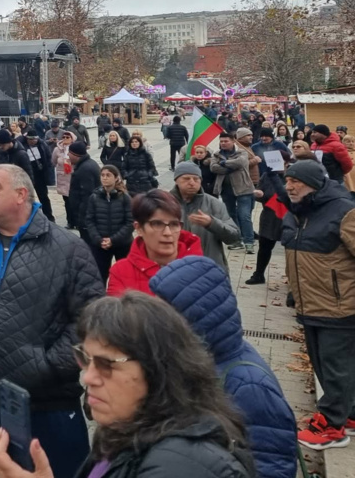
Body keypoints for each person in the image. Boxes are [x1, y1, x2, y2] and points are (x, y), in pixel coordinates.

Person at [0, 163, 104, 478]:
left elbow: (90, 318)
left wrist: (48, 365)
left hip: (48, 403)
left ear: (21, 194)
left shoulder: (68, 249)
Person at [0, 292, 254, 478]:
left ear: (158, 369)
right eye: (86, 359)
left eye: (107, 364)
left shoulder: (181, 465)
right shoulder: (125, 428)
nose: (89, 377)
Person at [150, 256, 299, 477]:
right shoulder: (197, 360)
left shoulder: (249, 386)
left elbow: (273, 466)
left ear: (193, 317)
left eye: (164, 313)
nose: (155, 321)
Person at [278, 161, 355, 449]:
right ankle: (349, 414)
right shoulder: (297, 212)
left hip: (340, 307)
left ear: (314, 183)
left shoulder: (344, 212)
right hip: (308, 305)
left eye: (296, 181)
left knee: (337, 368)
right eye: (287, 181)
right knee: (328, 368)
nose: (290, 186)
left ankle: (332, 427)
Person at [107, 190, 203, 296]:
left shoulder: (202, 268)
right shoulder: (121, 272)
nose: (168, 233)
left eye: (174, 224)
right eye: (157, 224)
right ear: (139, 228)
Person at [170, 161, 240, 268]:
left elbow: (233, 237)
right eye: (186, 179)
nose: (192, 182)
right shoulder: (164, 203)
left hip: (208, 268)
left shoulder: (214, 203)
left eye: (196, 179)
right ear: (176, 181)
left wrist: (212, 223)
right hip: (173, 268)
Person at [84, 165, 134, 284]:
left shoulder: (124, 197)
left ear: (116, 178)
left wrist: (113, 239)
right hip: (101, 244)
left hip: (122, 243)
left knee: (125, 276)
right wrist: (98, 239)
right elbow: (90, 220)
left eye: (108, 175)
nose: (105, 178)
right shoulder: (94, 197)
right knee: (100, 275)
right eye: (102, 175)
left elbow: (130, 222)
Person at [248, 155, 292, 286]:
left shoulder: (293, 175)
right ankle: (258, 274)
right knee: (265, 246)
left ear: (286, 162)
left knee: (290, 250)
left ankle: (292, 279)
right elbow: (262, 192)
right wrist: (259, 194)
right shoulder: (267, 175)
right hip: (270, 214)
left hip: (289, 216)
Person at [210, 133, 256, 254]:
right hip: (226, 190)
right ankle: (237, 240)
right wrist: (231, 166)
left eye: (226, 141)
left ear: (233, 141)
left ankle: (249, 242)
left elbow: (240, 163)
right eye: (221, 141)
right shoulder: (216, 154)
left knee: (244, 215)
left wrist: (224, 163)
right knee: (231, 215)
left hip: (243, 189)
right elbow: (213, 167)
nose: (223, 143)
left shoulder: (242, 152)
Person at [67, 141, 102, 245]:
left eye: (69, 153)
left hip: (86, 217)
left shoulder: (85, 169)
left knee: (89, 245)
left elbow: (87, 196)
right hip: (87, 215)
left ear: (75, 154)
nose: (68, 155)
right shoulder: (86, 164)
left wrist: (82, 218)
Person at [19, 130, 55, 221]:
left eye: (35, 139)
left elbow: (48, 157)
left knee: (43, 196)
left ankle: (49, 217)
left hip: (40, 174)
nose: (33, 141)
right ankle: (27, 217)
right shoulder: (21, 145)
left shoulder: (42, 144)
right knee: (26, 197)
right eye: (31, 140)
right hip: (27, 175)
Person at [51, 131, 75, 228]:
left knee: (75, 200)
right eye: (64, 137)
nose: (65, 138)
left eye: (68, 137)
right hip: (63, 177)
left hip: (73, 177)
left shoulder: (75, 148)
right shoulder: (57, 149)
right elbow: (53, 161)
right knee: (67, 201)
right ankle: (70, 221)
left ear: (72, 138)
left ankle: (77, 220)